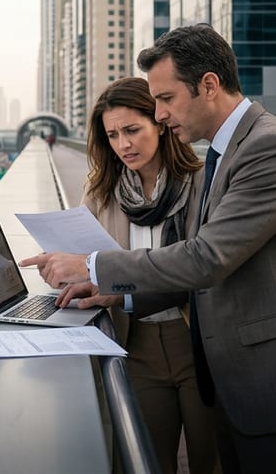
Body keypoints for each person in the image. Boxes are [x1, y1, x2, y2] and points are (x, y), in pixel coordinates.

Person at [23, 24, 276, 474]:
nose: (160, 114)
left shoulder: (269, 148)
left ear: (208, 85)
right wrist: (114, 294)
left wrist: (92, 264)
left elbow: (207, 258)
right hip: (240, 380)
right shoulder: (226, 153)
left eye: (165, 98)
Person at [81, 77, 218, 474]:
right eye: (112, 135)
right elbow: (87, 261)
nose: (123, 144)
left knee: (212, 460)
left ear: (159, 122)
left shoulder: (201, 182)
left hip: (198, 341)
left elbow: (203, 264)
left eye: (132, 130)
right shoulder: (101, 191)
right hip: (134, 342)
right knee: (146, 460)